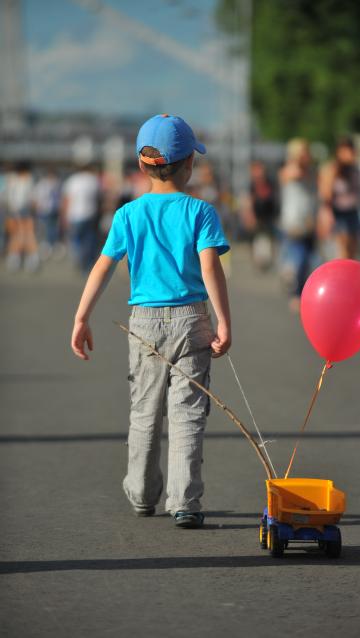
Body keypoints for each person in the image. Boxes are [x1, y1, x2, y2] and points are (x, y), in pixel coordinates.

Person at [71, 114, 231, 529]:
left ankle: (142, 494)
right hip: (192, 318)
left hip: (143, 323)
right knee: (188, 413)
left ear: (141, 166)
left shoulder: (128, 215)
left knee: (144, 410)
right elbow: (211, 269)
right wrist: (223, 320)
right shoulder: (201, 212)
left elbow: (102, 267)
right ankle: (185, 502)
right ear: (190, 164)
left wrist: (82, 316)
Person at [279, 139, 317, 311]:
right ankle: (295, 293)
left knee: (308, 260)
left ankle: (301, 291)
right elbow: (292, 174)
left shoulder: (311, 172)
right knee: (299, 259)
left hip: (309, 221)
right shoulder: (291, 170)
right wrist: (297, 159)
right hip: (293, 222)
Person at [319, 137, 360, 259]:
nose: (351, 154)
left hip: (352, 212)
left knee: (353, 251)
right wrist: (327, 215)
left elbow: (359, 192)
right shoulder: (331, 169)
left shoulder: (355, 170)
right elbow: (325, 195)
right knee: (342, 252)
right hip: (337, 214)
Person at [61, 164, 100, 272]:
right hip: (90, 214)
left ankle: (79, 261)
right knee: (89, 240)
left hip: (75, 215)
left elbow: (67, 200)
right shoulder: (93, 180)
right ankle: (88, 263)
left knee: (76, 240)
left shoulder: (72, 180)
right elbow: (98, 198)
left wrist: (64, 216)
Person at [4, 162, 40, 272]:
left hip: (12, 211)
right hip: (24, 211)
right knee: (27, 235)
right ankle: (31, 259)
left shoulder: (10, 179)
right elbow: (32, 198)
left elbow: (6, 197)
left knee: (17, 236)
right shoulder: (28, 180)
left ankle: (15, 259)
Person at [33, 168, 62, 259]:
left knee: (53, 228)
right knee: (46, 229)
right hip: (45, 210)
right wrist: (38, 208)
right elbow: (37, 197)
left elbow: (59, 197)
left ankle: (52, 246)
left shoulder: (56, 183)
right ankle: (48, 246)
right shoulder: (42, 184)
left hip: (54, 210)